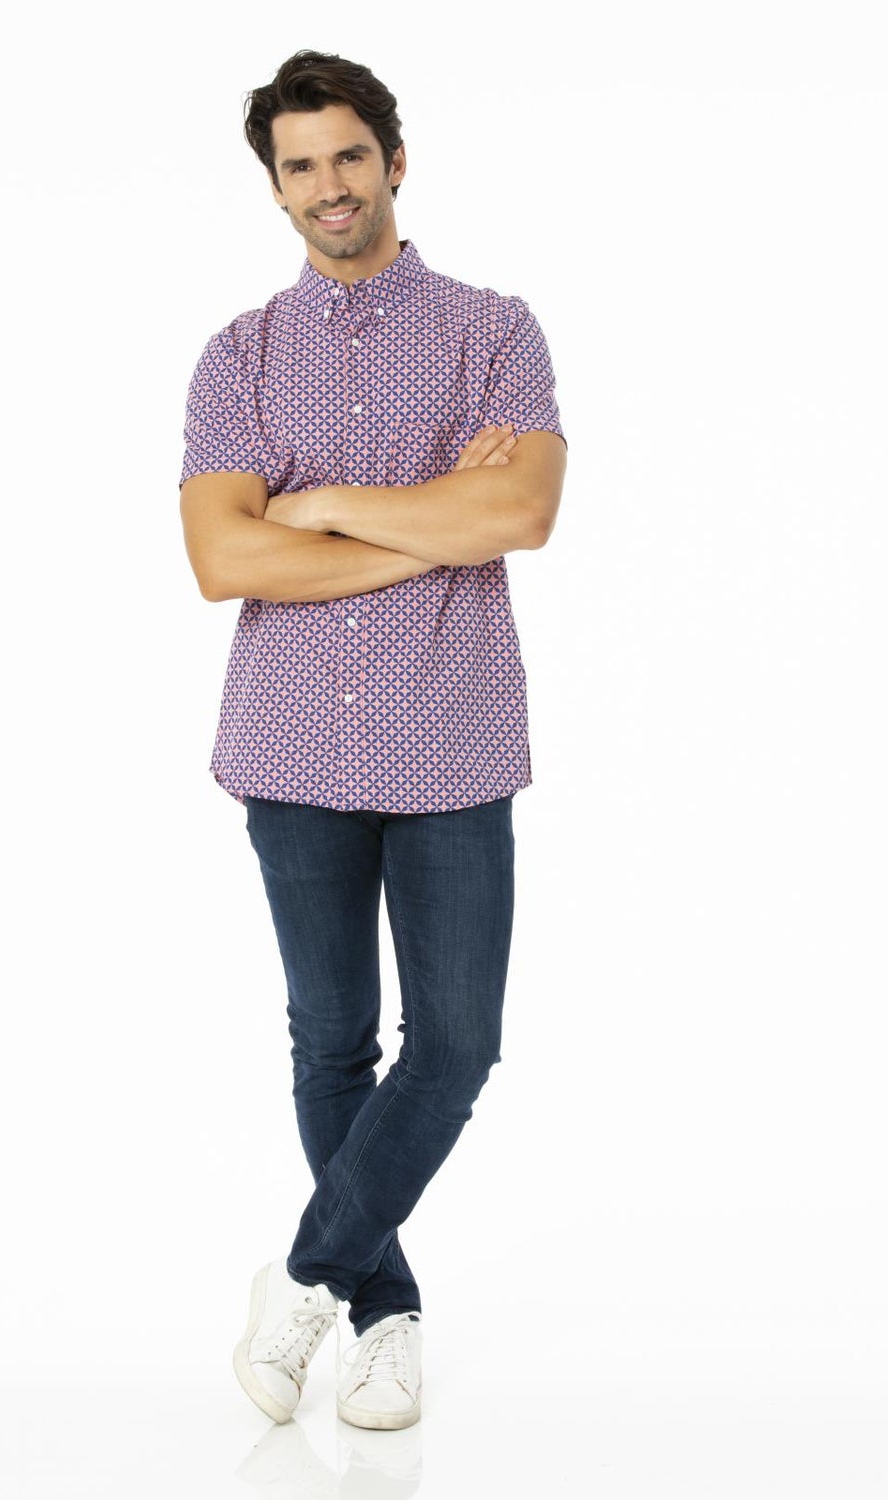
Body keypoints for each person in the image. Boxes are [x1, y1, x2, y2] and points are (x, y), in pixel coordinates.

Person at [178, 49, 567, 1430]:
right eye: (300, 166)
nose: (328, 185)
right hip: (291, 746)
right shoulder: (238, 357)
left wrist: (325, 504)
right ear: (276, 189)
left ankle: (303, 1280)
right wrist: (423, 523)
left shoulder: (495, 333)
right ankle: (384, 1312)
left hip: (453, 735)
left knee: (454, 1042)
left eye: (349, 155)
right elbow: (224, 559)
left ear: (394, 161)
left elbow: (519, 515)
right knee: (331, 1046)